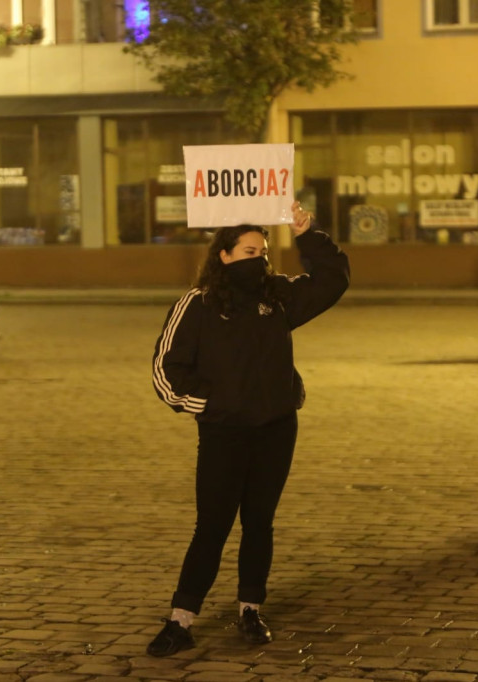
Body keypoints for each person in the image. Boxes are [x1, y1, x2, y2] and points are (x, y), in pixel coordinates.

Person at [147, 201, 350, 657]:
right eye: (246, 250)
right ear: (223, 255)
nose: (256, 258)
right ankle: (181, 620)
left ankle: (250, 609)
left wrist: (308, 234)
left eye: (262, 250)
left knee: (259, 523)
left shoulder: (276, 297)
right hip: (223, 434)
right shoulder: (197, 304)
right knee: (212, 526)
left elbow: (332, 281)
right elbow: (166, 367)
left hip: (276, 429)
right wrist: (209, 403)